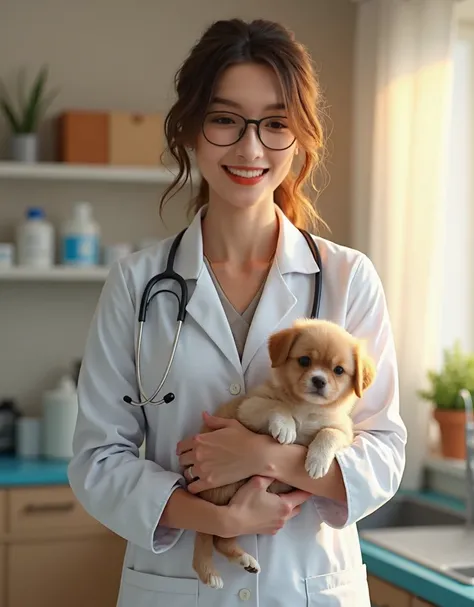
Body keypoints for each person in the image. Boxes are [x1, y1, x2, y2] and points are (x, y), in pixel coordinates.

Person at [68, 17, 407, 607]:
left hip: (307, 588)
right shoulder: (137, 284)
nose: (250, 148)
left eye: (275, 124)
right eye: (225, 119)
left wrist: (265, 456)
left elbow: (383, 453)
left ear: (300, 137)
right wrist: (213, 518)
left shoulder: (349, 279)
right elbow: (99, 460)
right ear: (191, 131)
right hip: (177, 585)